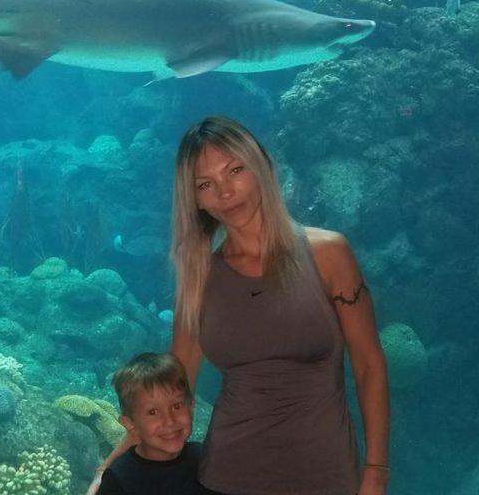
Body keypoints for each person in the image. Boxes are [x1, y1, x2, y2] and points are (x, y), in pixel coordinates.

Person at [91, 115, 390, 495]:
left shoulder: (329, 254)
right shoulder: (198, 280)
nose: (225, 192)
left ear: (262, 164)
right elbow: (168, 388)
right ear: (195, 200)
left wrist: (375, 473)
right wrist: (108, 468)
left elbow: (369, 366)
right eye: (205, 184)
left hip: (327, 474)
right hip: (226, 477)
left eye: (235, 170)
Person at [95, 351, 202, 495]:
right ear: (130, 424)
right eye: (153, 412)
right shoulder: (117, 480)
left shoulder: (204, 459)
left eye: (177, 406)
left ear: (191, 406)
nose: (169, 421)